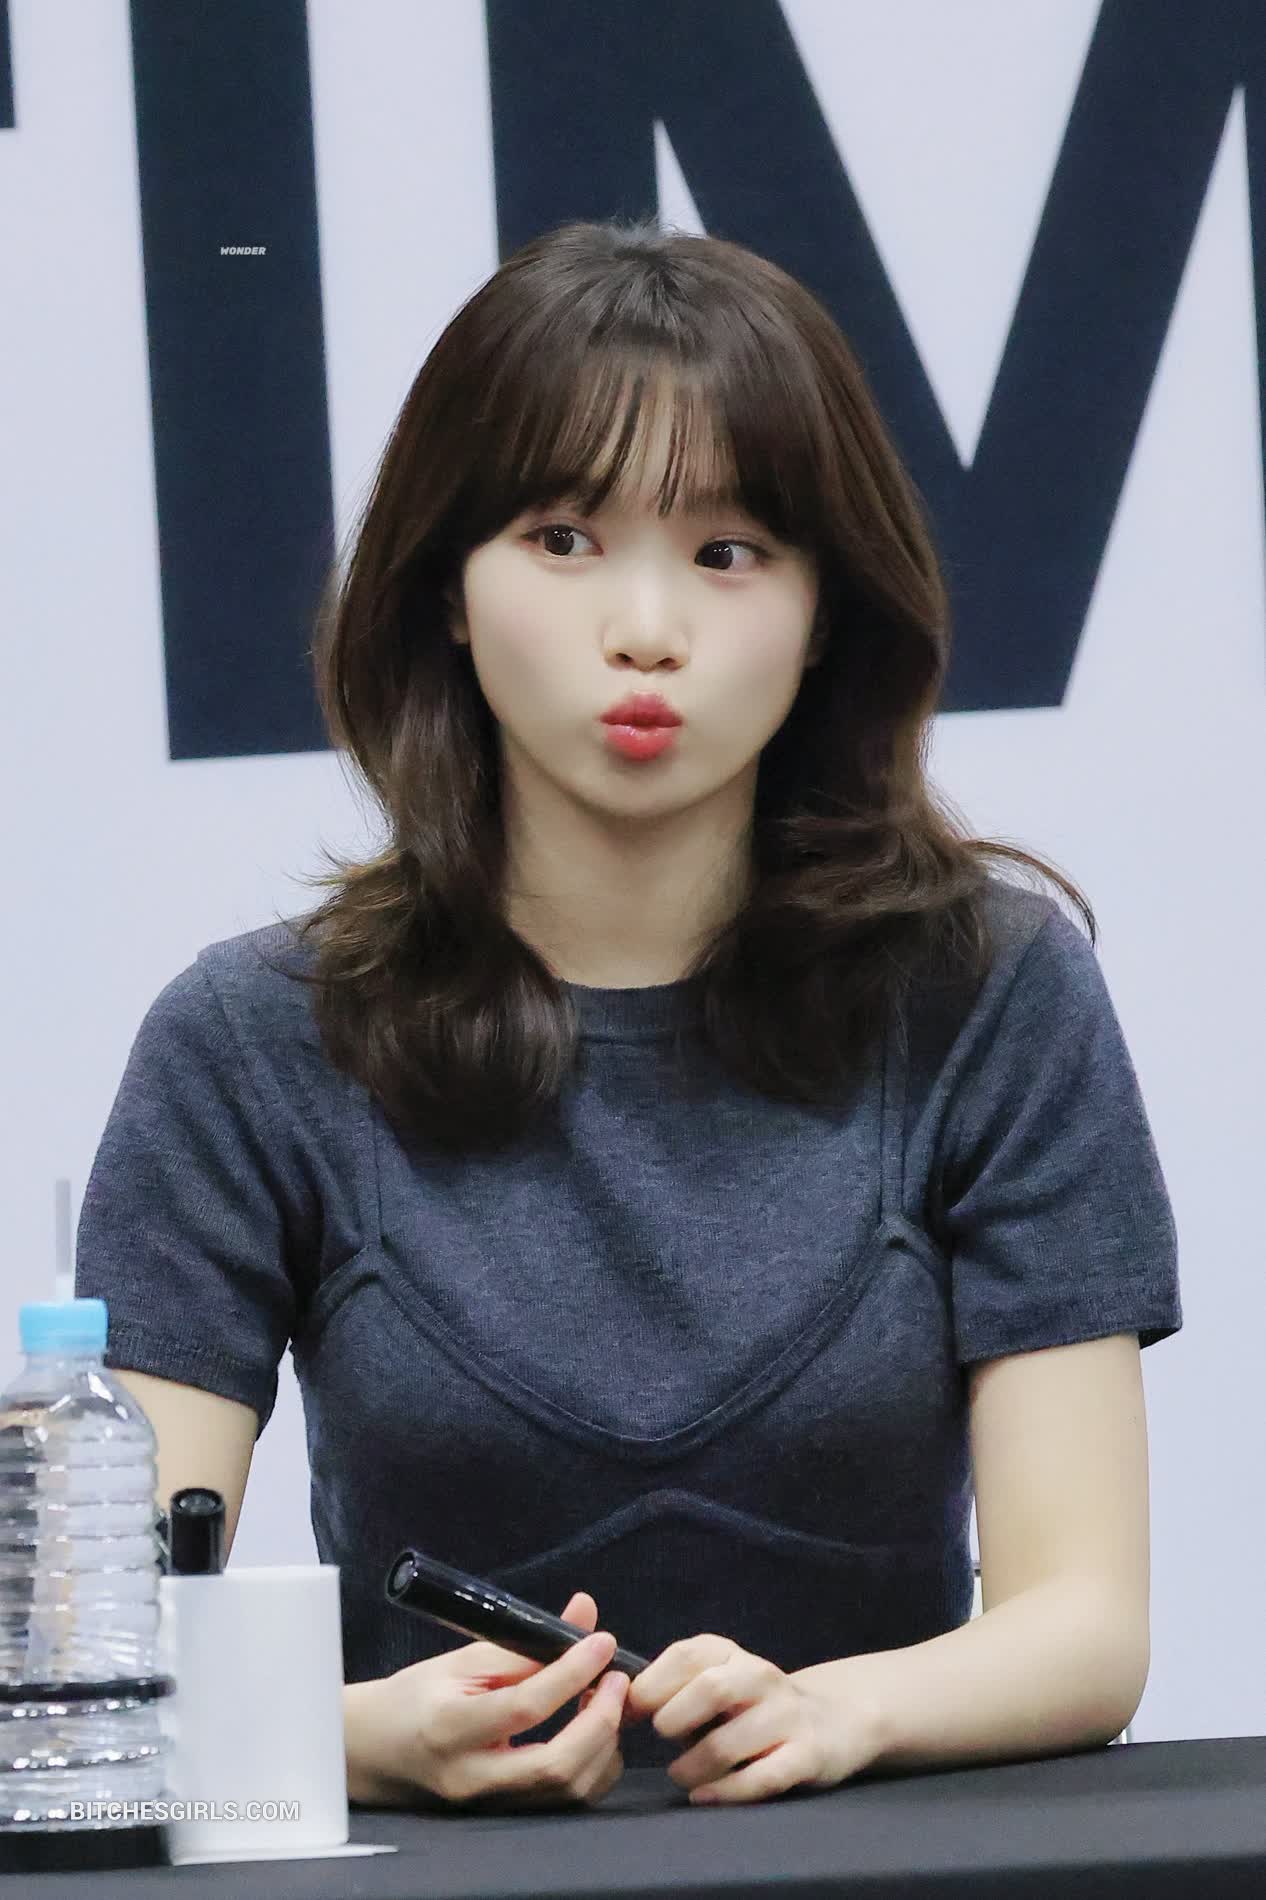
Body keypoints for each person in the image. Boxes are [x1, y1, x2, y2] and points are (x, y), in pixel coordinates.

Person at [76, 218, 1181, 1812]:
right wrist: (353, 1736)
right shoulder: (250, 1040)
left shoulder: (988, 992)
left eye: (728, 553)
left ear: (824, 610)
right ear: (447, 591)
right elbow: (94, 1666)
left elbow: (1085, 1625)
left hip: (885, 1861)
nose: (646, 627)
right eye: (562, 538)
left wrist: (837, 1712)